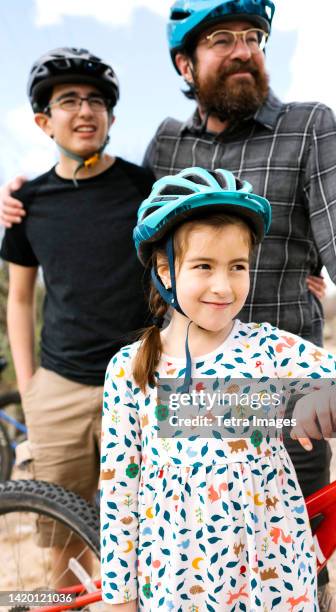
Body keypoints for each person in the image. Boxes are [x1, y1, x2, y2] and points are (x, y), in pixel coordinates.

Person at [141, 2, 336, 606]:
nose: (243, 49)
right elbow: (133, 238)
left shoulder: (308, 124)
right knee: (192, 564)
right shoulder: (164, 143)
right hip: (187, 397)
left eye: (253, 36)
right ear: (185, 62)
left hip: (289, 385)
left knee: (296, 565)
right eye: (220, 39)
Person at [100, 167, 336, 610]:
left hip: (273, 577)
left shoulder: (270, 347)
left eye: (237, 267)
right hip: (177, 582)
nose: (223, 286)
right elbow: (118, 496)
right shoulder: (129, 370)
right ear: (165, 271)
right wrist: (119, 598)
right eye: (203, 266)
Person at [0, 47, 154, 585]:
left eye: (96, 101)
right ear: (44, 121)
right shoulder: (28, 203)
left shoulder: (143, 187)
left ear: (111, 116)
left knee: (152, 532)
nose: (84, 111)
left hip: (140, 383)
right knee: (63, 543)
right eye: (68, 100)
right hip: (59, 389)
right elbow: (19, 298)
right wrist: (30, 386)